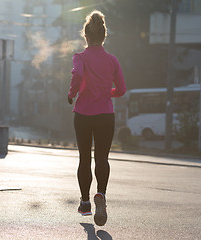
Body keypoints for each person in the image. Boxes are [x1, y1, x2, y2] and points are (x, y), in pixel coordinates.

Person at [67, 10, 126, 226]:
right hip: (105, 115)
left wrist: (72, 94)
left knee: (84, 158)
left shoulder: (79, 57)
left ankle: (85, 203)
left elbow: (78, 74)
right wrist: (105, 92)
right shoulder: (112, 60)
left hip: (83, 114)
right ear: (104, 36)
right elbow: (121, 89)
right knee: (102, 158)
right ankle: (101, 194)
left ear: (86, 36)